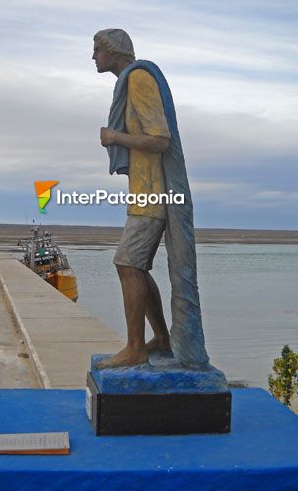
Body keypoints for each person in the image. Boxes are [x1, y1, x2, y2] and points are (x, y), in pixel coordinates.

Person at [93, 28, 209, 370]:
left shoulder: (139, 79)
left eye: (97, 49)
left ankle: (135, 348)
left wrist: (115, 136)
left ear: (114, 51)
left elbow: (160, 139)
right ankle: (159, 337)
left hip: (155, 193)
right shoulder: (129, 82)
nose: (93, 56)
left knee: (127, 263)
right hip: (144, 192)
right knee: (135, 266)